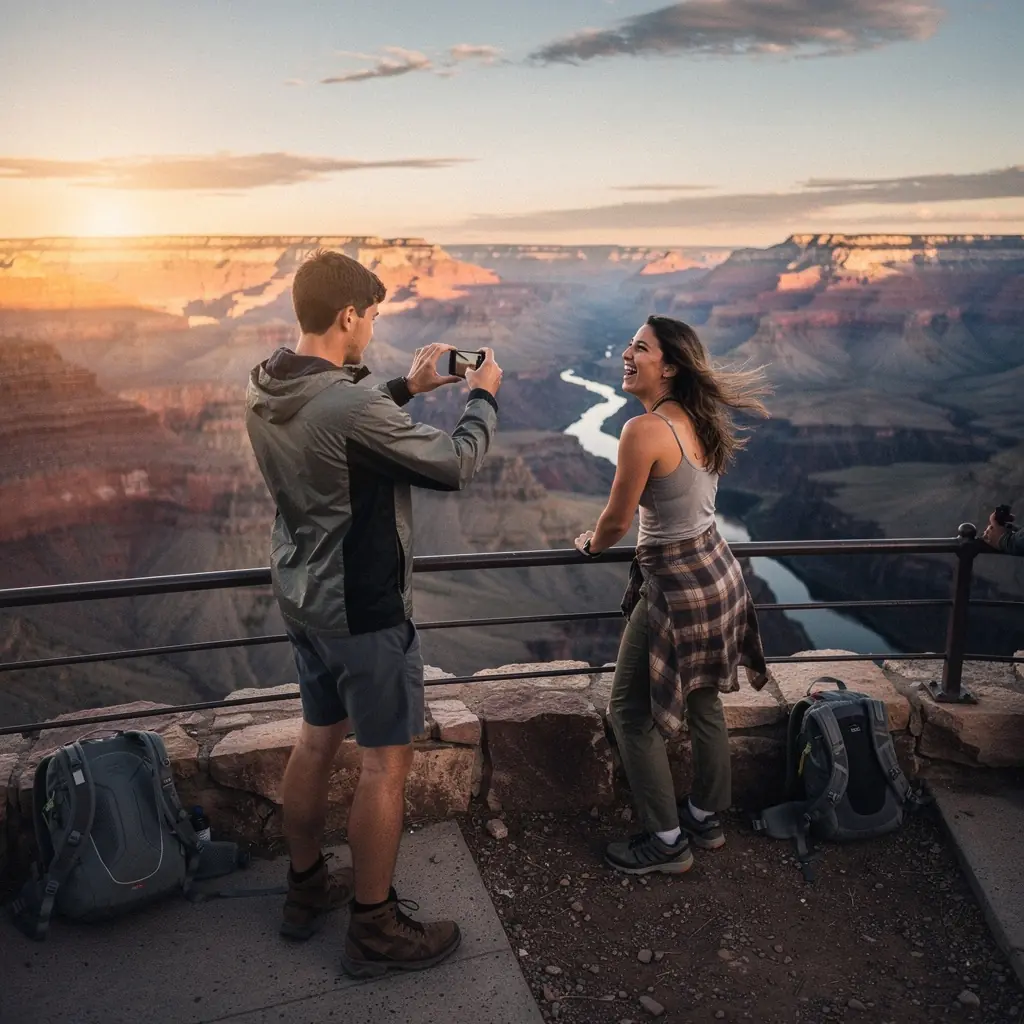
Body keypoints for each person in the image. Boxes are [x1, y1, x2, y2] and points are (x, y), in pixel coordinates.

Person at [244, 249, 502, 977]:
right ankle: (375, 930)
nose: (375, 328)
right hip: (363, 609)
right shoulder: (350, 403)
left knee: (315, 742)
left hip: (304, 598)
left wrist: (406, 387)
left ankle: (304, 892)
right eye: (373, 316)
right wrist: (481, 395)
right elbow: (454, 464)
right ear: (348, 316)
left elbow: (339, 430)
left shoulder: (266, 384)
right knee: (386, 766)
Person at [574, 315, 771, 875]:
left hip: (675, 586)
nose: (626, 354)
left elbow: (616, 521)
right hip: (721, 573)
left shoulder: (644, 431)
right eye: (628, 343)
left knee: (629, 713)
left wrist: (591, 544)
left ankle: (665, 842)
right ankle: (705, 820)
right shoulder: (702, 419)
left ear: (671, 365)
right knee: (704, 698)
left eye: (640, 347)